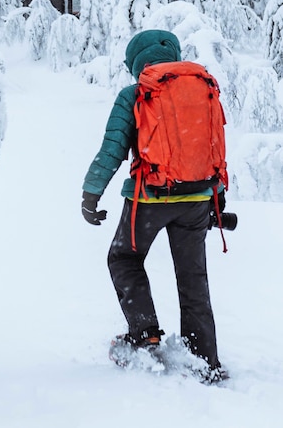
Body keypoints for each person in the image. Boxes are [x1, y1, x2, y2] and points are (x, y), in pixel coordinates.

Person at [81, 29, 227, 382]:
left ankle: (143, 335)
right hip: (197, 198)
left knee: (124, 259)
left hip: (149, 198)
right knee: (193, 278)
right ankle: (204, 358)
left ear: (136, 62)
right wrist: (218, 195)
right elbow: (215, 144)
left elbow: (112, 149)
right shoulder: (200, 87)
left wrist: (91, 193)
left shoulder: (135, 94)